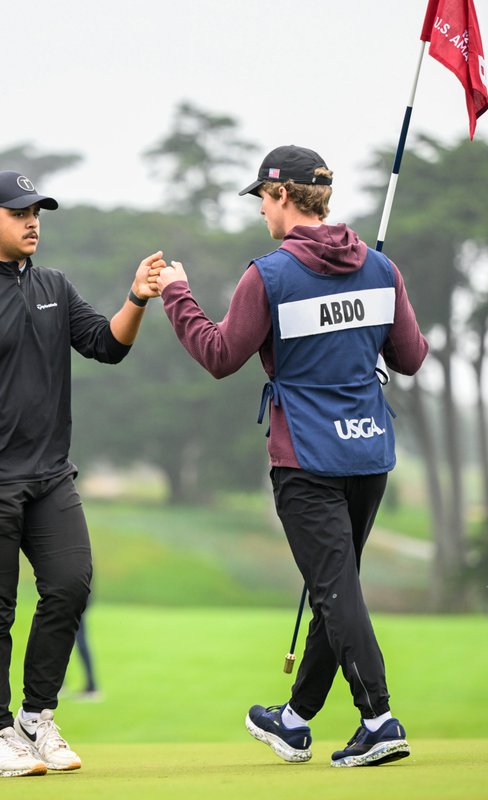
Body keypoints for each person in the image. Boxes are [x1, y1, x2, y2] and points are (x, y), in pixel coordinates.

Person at [154, 145, 428, 768]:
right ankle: (297, 720)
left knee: (335, 590)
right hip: (369, 452)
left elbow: (221, 355)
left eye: (262, 199)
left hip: (305, 457)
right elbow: (410, 357)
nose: (261, 212)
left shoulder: (269, 274)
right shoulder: (382, 271)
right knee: (339, 589)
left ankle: (379, 719)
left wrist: (177, 294)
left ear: (282, 198)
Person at [0, 170, 163, 778]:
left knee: (71, 585)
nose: (33, 221)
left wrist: (138, 299)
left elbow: (107, 344)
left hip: (49, 475)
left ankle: (36, 718)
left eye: (37, 211)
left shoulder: (53, 286)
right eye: (20, 213)